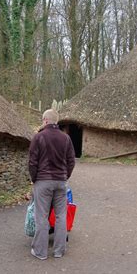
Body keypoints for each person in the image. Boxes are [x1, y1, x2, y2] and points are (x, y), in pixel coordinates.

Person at [29, 109, 76, 260]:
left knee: (41, 216)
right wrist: (64, 176)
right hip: (61, 183)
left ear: (45, 120)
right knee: (61, 216)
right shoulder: (66, 138)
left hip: (43, 181)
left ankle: (40, 252)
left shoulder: (39, 137)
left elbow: (32, 162)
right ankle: (59, 251)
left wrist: (34, 179)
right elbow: (71, 161)